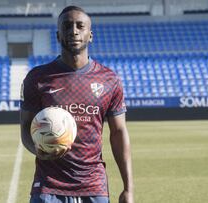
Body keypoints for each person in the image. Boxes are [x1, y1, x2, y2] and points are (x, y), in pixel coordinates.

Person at [20, 5, 134, 203]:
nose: (73, 30)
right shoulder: (37, 78)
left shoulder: (109, 80)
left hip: (93, 185)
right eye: (67, 26)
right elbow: (25, 127)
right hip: (48, 185)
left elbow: (119, 133)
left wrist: (128, 189)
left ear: (90, 35)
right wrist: (36, 149)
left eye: (80, 26)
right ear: (58, 35)